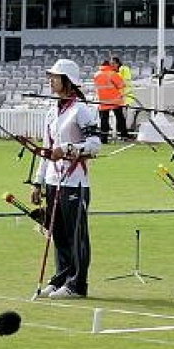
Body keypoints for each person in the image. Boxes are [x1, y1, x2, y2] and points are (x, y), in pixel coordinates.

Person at [31, 59, 101, 299]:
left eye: (55, 77)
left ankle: (77, 283)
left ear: (68, 81)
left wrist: (68, 149)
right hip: (53, 180)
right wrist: (38, 182)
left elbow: (95, 145)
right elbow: (47, 148)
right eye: (50, 76)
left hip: (75, 182)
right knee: (58, 233)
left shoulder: (81, 109)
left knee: (76, 234)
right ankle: (61, 276)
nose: (51, 80)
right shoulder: (52, 109)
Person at [94, 59, 128, 143]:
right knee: (120, 118)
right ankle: (124, 136)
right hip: (114, 101)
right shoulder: (112, 74)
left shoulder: (96, 75)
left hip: (102, 101)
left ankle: (104, 139)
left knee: (104, 120)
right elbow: (121, 85)